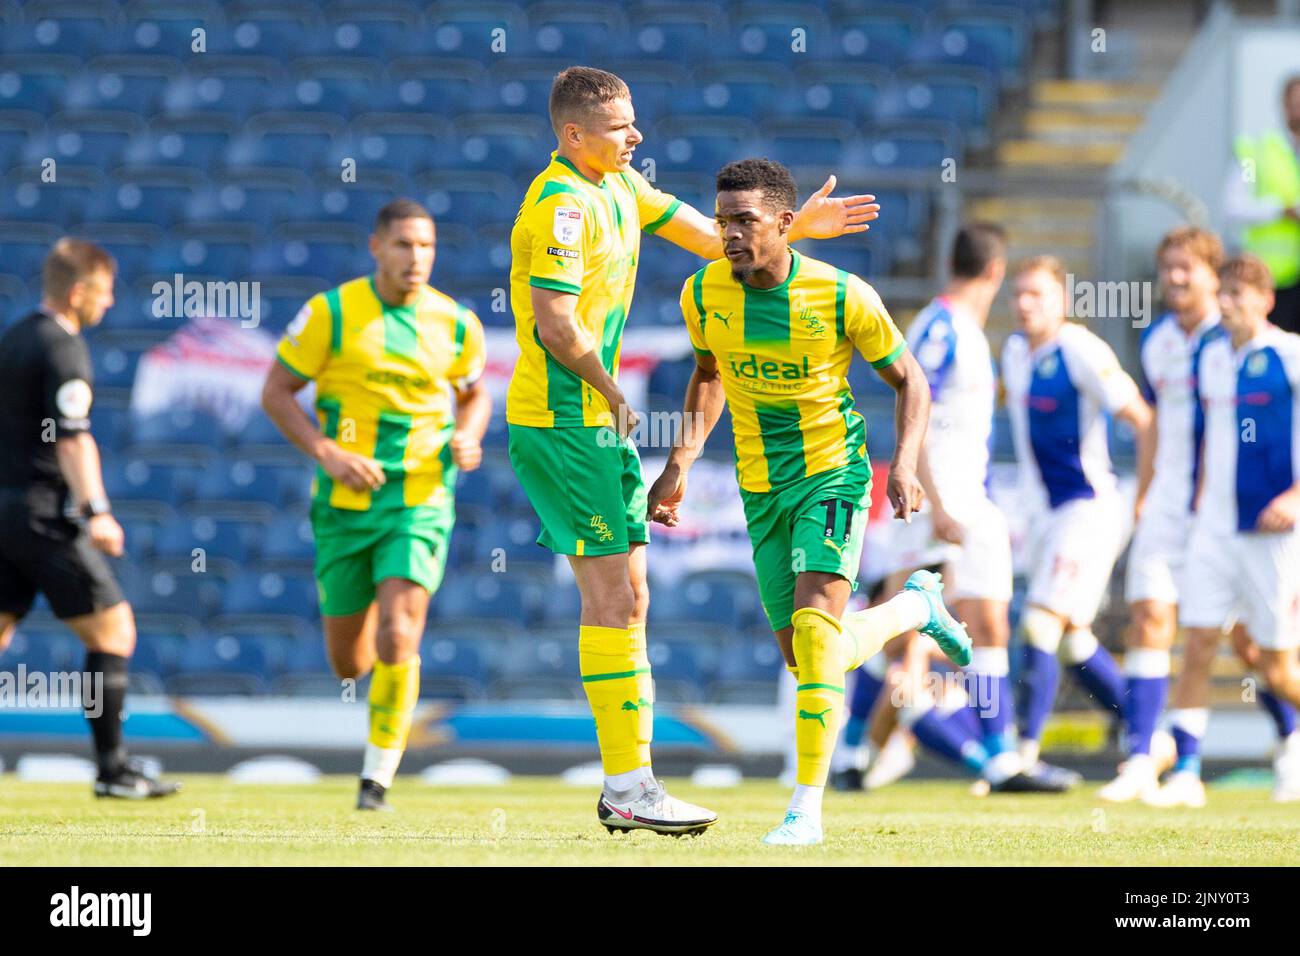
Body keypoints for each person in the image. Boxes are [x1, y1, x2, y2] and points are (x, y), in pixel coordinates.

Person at [507, 66, 878, 836]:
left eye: (635, 122)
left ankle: (632, 783)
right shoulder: (562, 207)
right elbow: (553, 321)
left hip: (593, 420)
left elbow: (719, 239)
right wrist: (612, 390)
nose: (636, 137)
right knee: (612, 600)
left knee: (632, 599)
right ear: (573, 134)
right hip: (566, 419)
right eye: (619, 127)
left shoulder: (622, 189)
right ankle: (627, 786)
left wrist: (794, 227)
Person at [647, 158, 971, 846]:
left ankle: (805, 810)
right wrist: (680, 461)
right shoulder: (702, 294)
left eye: (744, 221)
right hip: (760, 489)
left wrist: (904, 465)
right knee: (804, 656)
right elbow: (708, 376)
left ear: (784, 224)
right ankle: (916, 606)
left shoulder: (842, 294)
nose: (729, 233)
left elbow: (910, 380)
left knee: (819, 639)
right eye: (721, 220)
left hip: (834, 476)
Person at [261, 199, 490, 811]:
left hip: (420, 497)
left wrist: (468, 434)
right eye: (404, 245)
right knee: (348, 662)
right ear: (376, 247)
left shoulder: (457, 323)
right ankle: (366, 683)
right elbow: (276, 393)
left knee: (399, 631)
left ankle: (376, 780)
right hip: (342, 507)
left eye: (426, 246)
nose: (416, 258)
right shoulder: (330, 314)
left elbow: (475, 395)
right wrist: (326, 452)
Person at [0, 238, 179, 799]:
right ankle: (114, 769)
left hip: (3, 506)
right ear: (78, 292)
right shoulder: (64, 350)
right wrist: (97, 511)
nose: (109, 302)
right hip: (42, 513)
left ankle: (114, 768)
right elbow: (74, 441)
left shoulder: (15, 337)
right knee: (113, 629)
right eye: (103, 291)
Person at [1149, 254, 1300, 807]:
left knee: (1278, 667)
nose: (1228, 304)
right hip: (1212, 529)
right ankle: (1185, 774)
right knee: (1198, 645)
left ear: (1264, 300)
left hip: (1272, 535)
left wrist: (1295, 497)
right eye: (1225, 294)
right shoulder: (1209, 355)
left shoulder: (1289, 355)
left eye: (1239, 295)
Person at [1001, 256, 1155, 780]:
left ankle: (1022, 756)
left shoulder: (1081, 349)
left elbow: (1141, 418)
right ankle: (1148, 736)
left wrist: (1143, 497)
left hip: (1088, 510)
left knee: (1039, 623)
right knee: (1072, 641)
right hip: (1044, 514)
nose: (1025, 304)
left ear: (1061, 301)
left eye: (1037, 295)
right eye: (1019, 294)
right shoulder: (1015, 351)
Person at [1101, 227, 1226, 801]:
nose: (1175, 279)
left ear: (1211, 275)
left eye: (1186, 268)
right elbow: (1152, 426)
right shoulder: (1156, 341)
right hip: (1167, 504)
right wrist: (1145, 492)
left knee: (1247, 645)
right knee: (1148, 619)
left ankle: (1291, 742)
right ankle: (1144, 757)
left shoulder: (1234, 340)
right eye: (1167, 268)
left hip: (1223, 508)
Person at [1225, 75, 1300, 334]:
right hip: (1274, 279)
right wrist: (1280, 210)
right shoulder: (1256, 151)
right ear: (1284, 105)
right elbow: (1235, 205)